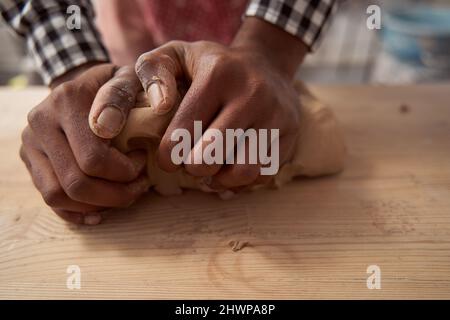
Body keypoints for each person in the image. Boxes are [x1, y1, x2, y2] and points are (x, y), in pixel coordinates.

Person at [0, 0, 337, 225]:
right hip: (128, 35)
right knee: (134, 102)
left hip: (262, 47)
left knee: (255, 114)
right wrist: (79, 74)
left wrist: (270, 49)